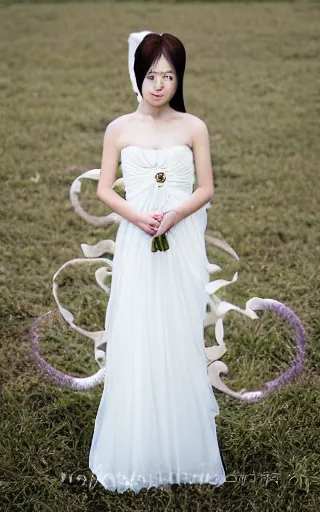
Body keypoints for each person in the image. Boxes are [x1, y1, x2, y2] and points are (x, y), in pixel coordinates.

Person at [88, 31, 227, 493]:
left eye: (169, 75)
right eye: (151, 75)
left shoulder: (193, 127)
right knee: (139, 330)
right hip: (136, 240)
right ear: (138, 75)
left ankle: (184, 445)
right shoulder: (119, 129)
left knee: (178, 332)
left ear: (179, 78)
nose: (160, 84)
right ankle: (138, 445)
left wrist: (173, 215)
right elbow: (105, 188)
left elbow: (206, 188)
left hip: (181, 241)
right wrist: (138, 217)